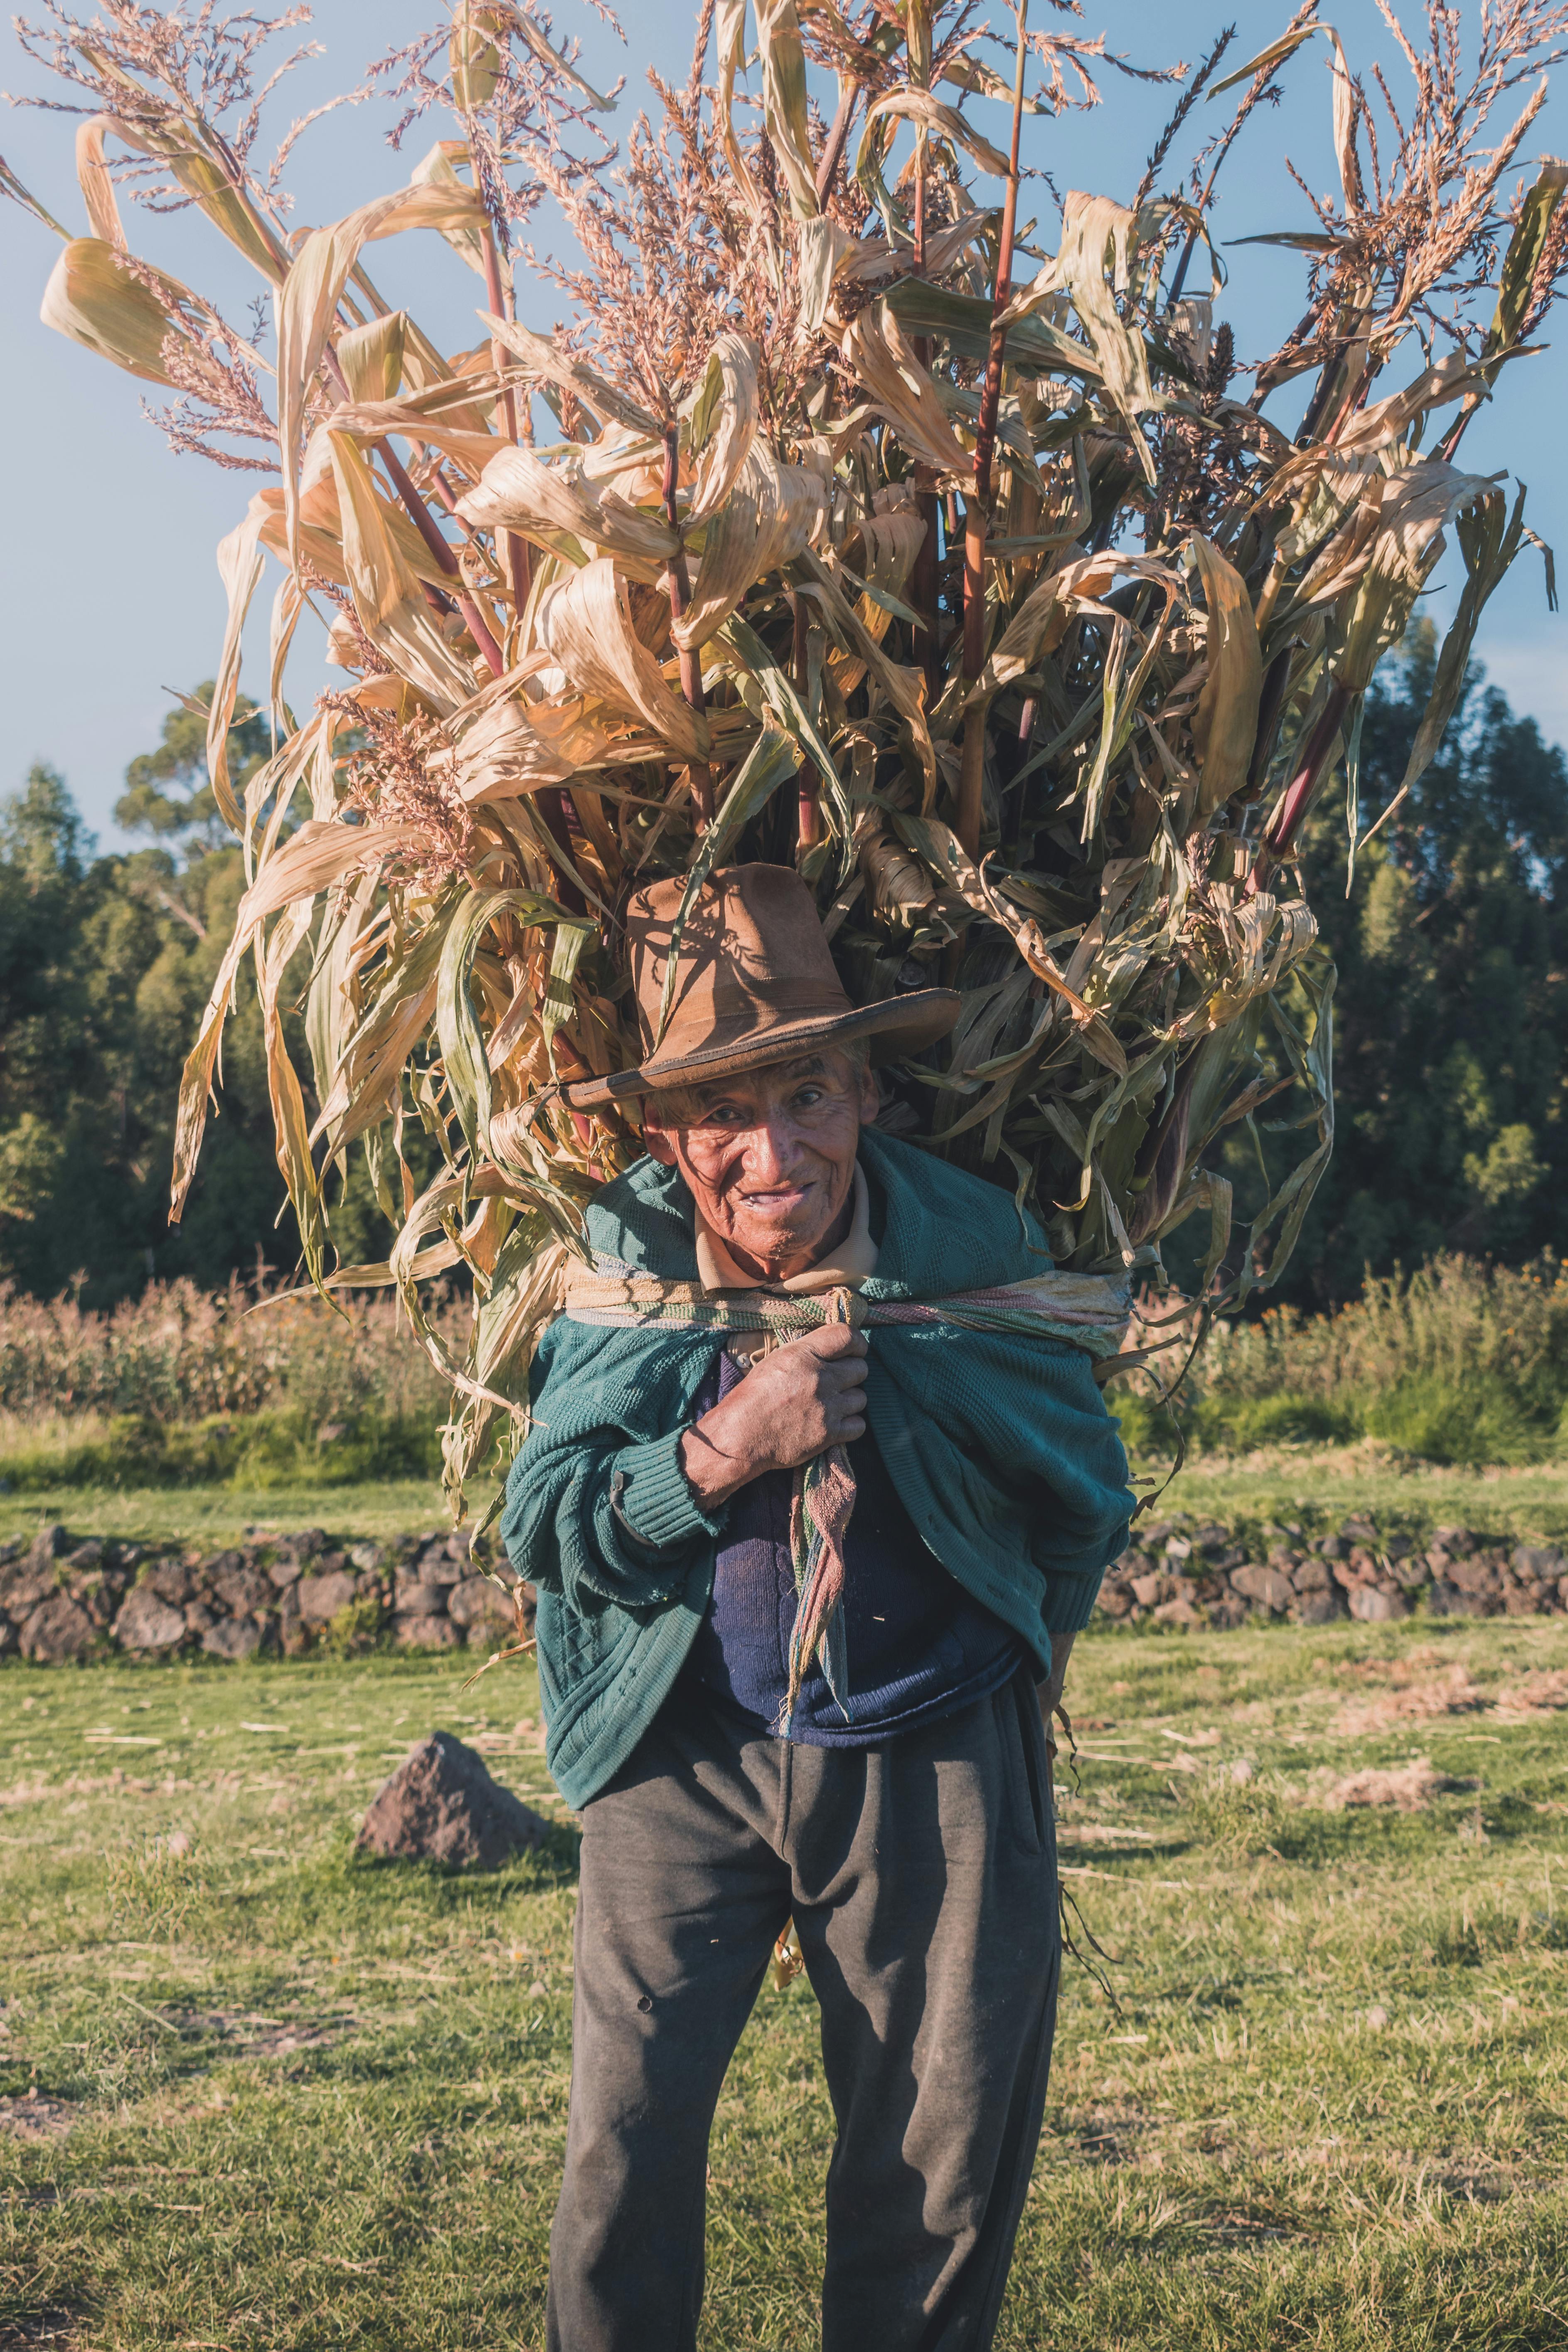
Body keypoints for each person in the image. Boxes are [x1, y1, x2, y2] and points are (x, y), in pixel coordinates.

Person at [501, 862, 1132, 2352]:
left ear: (864, 1091)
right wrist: (727, 1447)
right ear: (667, 1133)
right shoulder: (628, 1265)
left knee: (938, 2160)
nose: (771, 1152)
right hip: (684, 1747)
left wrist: (1005, 1667)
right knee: (623, 2153)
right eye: (724, 1111)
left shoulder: (963, 1252)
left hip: (933, 1743)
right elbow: (550, 1528)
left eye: (807, 1096)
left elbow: (1080, 1489)